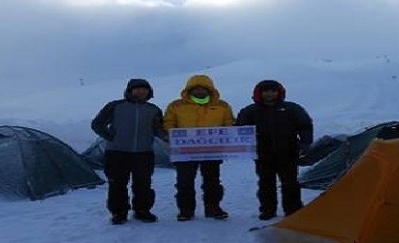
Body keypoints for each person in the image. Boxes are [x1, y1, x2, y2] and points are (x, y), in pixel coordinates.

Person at [91, 78, 167, 225]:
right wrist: (110, 137)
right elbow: (97, 124)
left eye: (144, 89)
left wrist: (170, 138)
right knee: (117, 184)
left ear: (149, 91)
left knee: (143, 184)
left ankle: (142, 211)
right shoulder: (115, 106)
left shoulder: (153, 110)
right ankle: (119, 213)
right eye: (137, 88)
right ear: (130, 90)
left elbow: (158, 129)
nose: (140, 91)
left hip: (144, 153)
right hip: (117, 153)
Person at [235, 79, 313, 221]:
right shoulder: (250, 111)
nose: (269, 94)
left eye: (273, 91)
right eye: (266, 91)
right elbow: (239, 130)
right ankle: (267, 210)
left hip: (288, 152)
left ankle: (293, 210)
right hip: (262, 154)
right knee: (266, 183)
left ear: (279, 92)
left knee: (290, 183)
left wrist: (305, 143)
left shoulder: (292, 108)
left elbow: (305, 126)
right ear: (260, 93)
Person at [163, 75, 234, 221]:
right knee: (184, 182)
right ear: (190, 89)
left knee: (212, 182)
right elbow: (168, 123)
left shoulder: (223, 106)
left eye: (203, 88)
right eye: (196, 88)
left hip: (212, 151)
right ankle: (186, 210)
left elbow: (229, 124)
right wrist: (174, 136)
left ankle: (213, 208)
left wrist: (227, 137)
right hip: (185, 152)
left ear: (209, 89)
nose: (200, 90)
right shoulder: (176, 105)